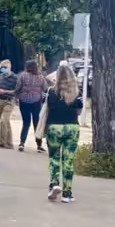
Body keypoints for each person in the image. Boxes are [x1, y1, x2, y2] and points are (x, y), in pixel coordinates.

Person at [45, 63, 84, 203]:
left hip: (54, 127)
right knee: (68, 161)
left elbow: (49, 107)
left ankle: (54, 184)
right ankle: (67, 193)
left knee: (54, 159)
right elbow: (79, 111)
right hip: (72, 127)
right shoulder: (77, 94)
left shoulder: (51, 92)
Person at [15, 60, 47, 152]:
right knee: (37, 123)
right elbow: (45, 89)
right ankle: (39, 145)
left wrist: (16, 96)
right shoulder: (41, 77)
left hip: (24, 101)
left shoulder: (22, 75)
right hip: (36, 102)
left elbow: (18, 88)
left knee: (26, 123)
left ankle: (22, 143)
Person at [0, 59, 18, 149]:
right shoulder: (1, 76)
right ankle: (9, 143)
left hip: (9, 101)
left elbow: (16, 91)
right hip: (0, 100)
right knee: (6, 122)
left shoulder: (15, 78)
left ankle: (3, 142)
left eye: (5, 67)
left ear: (9, 67)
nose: (3, 69)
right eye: (2, 68)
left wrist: (4, 91)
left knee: (3, 121)